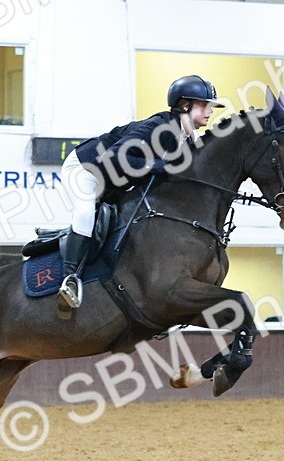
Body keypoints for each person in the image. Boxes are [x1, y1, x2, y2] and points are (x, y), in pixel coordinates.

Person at [56, 74, 223, 312]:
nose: (210, 111)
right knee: (84, 216)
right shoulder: (160, 127)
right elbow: (114, 157)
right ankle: (69, 279)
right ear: (184, 104)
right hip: (86, 169)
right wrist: (160, 166)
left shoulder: (188, 139)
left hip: (116, 181)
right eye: (204, 105)